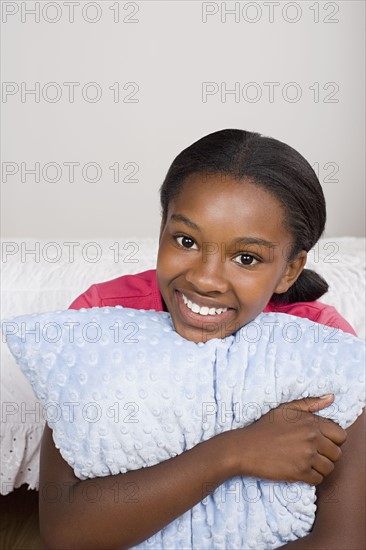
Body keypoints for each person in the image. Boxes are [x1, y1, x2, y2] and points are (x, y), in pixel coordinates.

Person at [39, 129, 365, 549]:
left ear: (289, 269)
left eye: (246, 258)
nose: (204, 279)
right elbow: (65, 532)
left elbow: (346, 539)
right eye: (186, 240)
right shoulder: (100, 319)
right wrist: (234, 453)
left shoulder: (323, 344)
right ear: (162, 228)